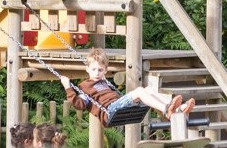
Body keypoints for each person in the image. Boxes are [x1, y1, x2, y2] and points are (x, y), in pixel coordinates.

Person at [59, 48, 195, 125]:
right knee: (140, 91)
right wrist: (68, 87)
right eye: (94, 69)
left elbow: (111, 94)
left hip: (119, 106)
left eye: (100, 70)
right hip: (110, 111)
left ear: (105, 70)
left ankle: (177, 109)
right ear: (87, 69)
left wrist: (105, 83)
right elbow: (80, 105)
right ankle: (166, 109)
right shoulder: (84, 86)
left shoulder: (103, 82)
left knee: (148, 90)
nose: (97, 73)